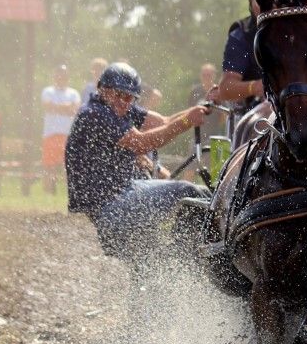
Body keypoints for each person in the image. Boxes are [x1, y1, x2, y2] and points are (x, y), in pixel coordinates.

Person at [65, 62, 209, 273]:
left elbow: (162, 121)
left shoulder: (117, 109)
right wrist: (187, 121)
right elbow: (141, 143)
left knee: (149, 265)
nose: (125, 102)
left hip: (123, 195)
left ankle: (172, 266)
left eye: (130, 97)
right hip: (111, 208)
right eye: (120, 95)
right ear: (102, 89)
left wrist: (201, 107)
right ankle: (186, 260)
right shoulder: (95, 113)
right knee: (192, 193)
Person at [207, 0, 288, 122]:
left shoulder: (299, 29)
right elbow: (226, 89)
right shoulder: (241, 35)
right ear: (250, 0)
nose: (267, 3)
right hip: (254, 118)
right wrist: (256, 87)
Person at [41, 64, 81, 194]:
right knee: (49, 165)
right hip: (50, 133)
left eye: (63, 75)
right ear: (54, 76)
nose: (60, 77)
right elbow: (47, 106)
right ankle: (49, 193)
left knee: (68, 166)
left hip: (67, 134)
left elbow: (75, 109)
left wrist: (56, 107)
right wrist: (66, 108)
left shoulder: (73, 93)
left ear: (67, 77)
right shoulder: (48, 91)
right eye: (58, 74)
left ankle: (69, 193)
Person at [188, 63, 226, 137]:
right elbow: (189, 112)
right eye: (204, 75)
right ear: (200, 76)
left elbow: (224, 117)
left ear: (214, 76)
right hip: (197, 134)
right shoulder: (195, 91)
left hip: (214, 134)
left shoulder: (218, 92)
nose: (206, 77)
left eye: (209, 75)